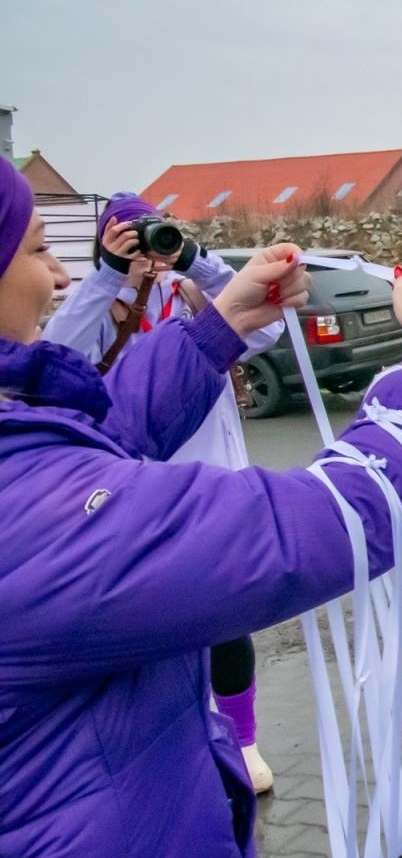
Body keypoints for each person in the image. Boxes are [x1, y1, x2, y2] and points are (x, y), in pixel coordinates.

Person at [0, 159, 402, 858]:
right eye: (33, 250)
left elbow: (95, 433)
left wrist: (217, 329)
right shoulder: (28, 515)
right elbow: (325, 523)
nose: (57, 276)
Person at [43, 193, 285, 792]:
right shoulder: (95, 307)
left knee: (227, 620)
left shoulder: (193, 297)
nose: (147, 251)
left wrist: (196, 261)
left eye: (155, 235)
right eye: (129, 238)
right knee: (157, 623)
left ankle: (244, 740)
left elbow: (270, 326)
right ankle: (173, 744)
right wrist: (106, 276)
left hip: (215, 482)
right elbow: (56, 356)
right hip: (135, 490)